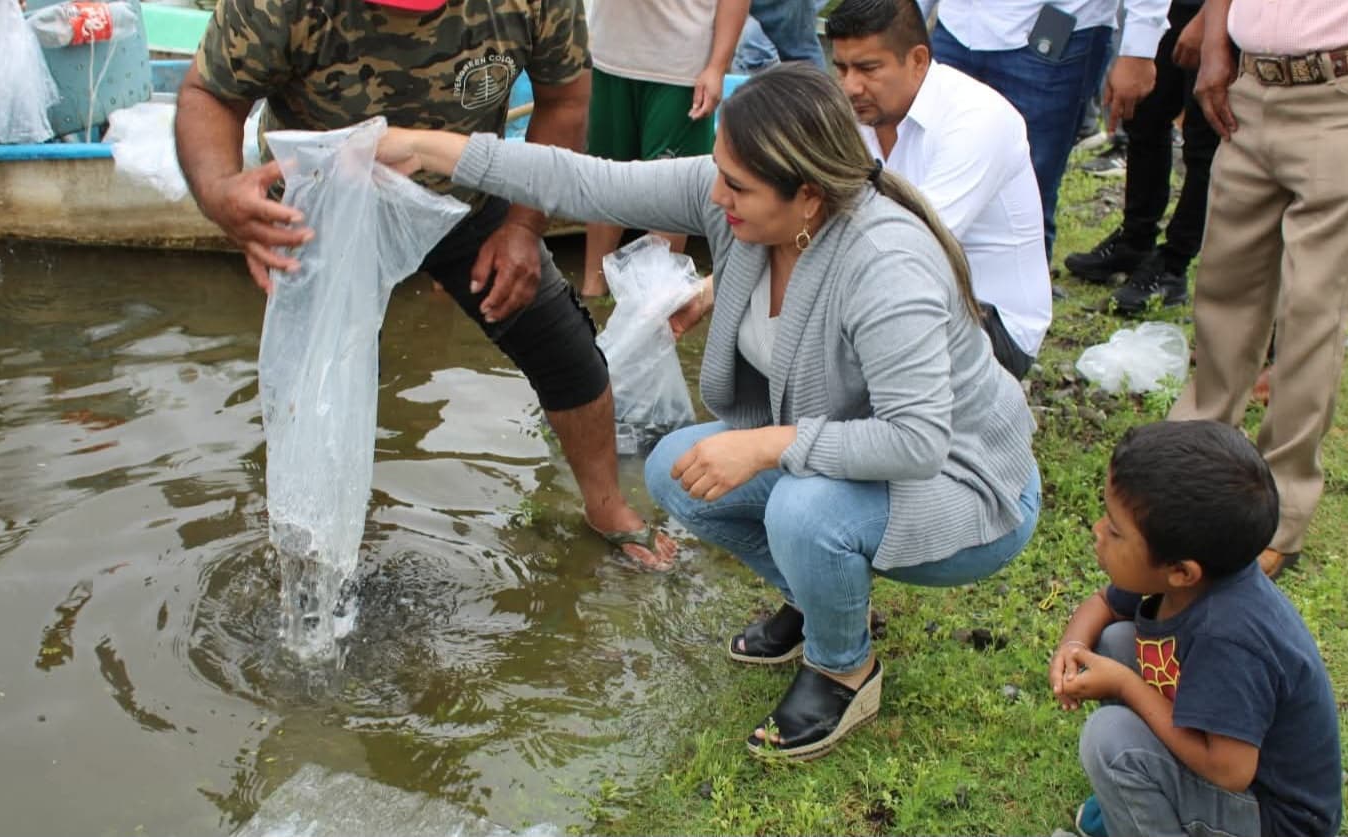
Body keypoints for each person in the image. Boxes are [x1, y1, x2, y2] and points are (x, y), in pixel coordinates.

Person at [373, 63, 1041, 760]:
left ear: (808, 195)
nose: (715, 194)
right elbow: (583, 179)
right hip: (857, 456)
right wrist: (424, 146)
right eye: (719, 171)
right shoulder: (750, 204)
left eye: (737, 187)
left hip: (968, 487)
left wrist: (763, 446)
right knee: (672, 470)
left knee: (801, 511)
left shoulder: (887, 263)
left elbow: (916, 441)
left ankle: (844, 666)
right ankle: (825, 599)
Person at [173, 0, 676, 569]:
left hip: (467, 199)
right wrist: (220, 193)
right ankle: (310, 548)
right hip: (326, 207)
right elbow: (209, 94)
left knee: (565, 347)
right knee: (315, 382)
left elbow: (565, 99)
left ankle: (606, 507)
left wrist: (521, 224)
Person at [1169, 0, 1348, 578]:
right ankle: (1190, 464)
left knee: (1312, 310)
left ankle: (1282, 510)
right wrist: (1217, 44)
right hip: (1255, 83)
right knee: (1223, 288)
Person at [1050, 420, 1341, 837]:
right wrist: (1073, 645)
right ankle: (1132, 810)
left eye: (1115, 530)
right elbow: (1102, 605)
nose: (1098, 531)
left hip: (1272, 820)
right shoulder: (1200, 574)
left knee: (1110, 739)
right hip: (1235, 777)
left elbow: (1229, 771)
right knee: (1114, 642)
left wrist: (1126, 686)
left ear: (1182, 572)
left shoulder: (1231, 637)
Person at [826, 0, 1051, 379]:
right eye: (842, 68)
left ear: (917, 60)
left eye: (867, 68)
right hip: (910, 292)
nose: (850, 86)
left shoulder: (977, 120)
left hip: (992, 324)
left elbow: (908, 251)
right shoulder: (861, 114)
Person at [920, 0, 1170, 258]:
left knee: (1027, 198)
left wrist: (1140, 48)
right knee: (930, 173)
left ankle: (1012, 295)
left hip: (1057, 33)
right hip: (956, 26)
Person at [580, 0, 749, 298]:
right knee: (603, 174)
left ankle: (655, 303)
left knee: (670, 188)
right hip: (607, 55)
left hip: (679, 65)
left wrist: (717, 67)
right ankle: (592, 291)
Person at [1064, 0, 1219, 317]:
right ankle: (1134, 241)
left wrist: (1207, 19)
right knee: (1144, 114)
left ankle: (1173, 264)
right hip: (1173, 8)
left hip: (1218, 13)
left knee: (1202, 141)